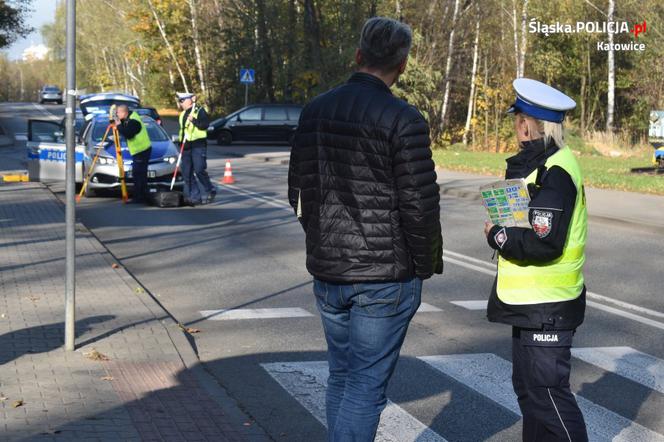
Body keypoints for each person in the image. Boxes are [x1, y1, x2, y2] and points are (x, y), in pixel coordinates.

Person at [288, 17, 443, 442]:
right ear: (403, 65)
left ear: (358, 56)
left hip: (330, 272)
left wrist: (322, 241)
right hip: (384, 278)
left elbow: (298, 192)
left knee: (342, 376)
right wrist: (425, 264)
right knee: (364, 387)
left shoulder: (315, 110)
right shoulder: (403, 118)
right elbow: (419, 206)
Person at [484, 78, 588, 442]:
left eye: (518, 120)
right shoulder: (539, 164)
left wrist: (498, 235)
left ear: (528, 124)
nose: (515, 127)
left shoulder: (556, 173)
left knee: (548, 397)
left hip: (548, 306)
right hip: (531, 304)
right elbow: (525, 221)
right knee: (531, 395)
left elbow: (545, 243)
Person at [177, 92, 215, 206]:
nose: (181, 103)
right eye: (180, 101)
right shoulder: (182, 114)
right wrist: (180, 142)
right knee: (186, 173)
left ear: (190, 100)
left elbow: (205, 125)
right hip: (186, 147)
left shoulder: (199, 110)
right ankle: (195, 197)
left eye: (182, 100)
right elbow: (183, 131)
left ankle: (210, 189)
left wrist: (193, 120)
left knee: (199, 170)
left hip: (198, 145)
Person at [114, 104, 152, 204]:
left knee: (139, 175)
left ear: (124, 112)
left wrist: (118, 126)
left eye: (118, 112)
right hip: (140, 150)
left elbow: (129, 135)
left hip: (141, 150)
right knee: (139, 174)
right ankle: (142, 196)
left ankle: (140, 197)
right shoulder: (130, 118)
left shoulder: (133, 121)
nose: (117, 115)